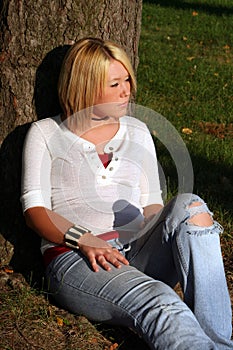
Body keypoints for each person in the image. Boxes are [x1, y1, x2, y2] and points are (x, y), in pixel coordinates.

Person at [21, 37, 233, 349]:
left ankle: (220, 341)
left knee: (191, 205)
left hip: (137, 251)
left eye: (128, 80)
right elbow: (33, 211)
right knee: (160, 300)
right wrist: (83, 237)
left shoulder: (136, 130)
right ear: (86, 87)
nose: (127, 90)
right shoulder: (45, 134)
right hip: (77, 260)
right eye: (115, 83)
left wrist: (156, 231)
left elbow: (152, 205)